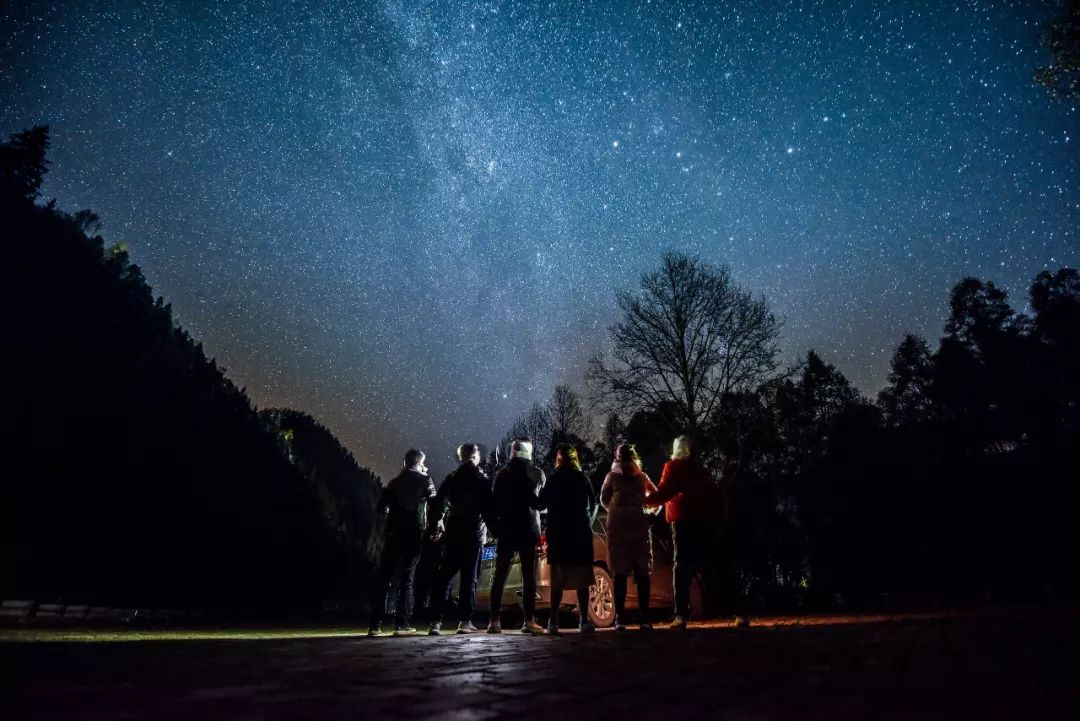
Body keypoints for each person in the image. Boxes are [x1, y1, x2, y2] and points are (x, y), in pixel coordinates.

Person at [646, 435, 725, 630]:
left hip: (683, 520)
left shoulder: (673, 467)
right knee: (714, 563)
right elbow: (713, 493)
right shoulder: (699, 470)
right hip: (705, 520)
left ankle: (680, 615)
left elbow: (665, 492)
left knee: (680, 567)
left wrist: (645, 501)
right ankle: (738, 611)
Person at [426, 443, 492, 635]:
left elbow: (439, 502)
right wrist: (495, 529)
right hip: (473, 529)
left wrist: (436, 524)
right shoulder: (481, 477)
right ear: (475, 455)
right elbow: (488, 506)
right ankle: (464, 621)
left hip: (454, 528)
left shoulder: (452, 477)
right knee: (469, 577)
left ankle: (435, 622)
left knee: (445, 575)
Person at [369, 449, 436, 637]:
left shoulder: (394, 483)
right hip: (413, 534)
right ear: (419, 463)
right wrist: (435, 526)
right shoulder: (425, 480)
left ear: (405, 462)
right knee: (407, 578)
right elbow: (435, 503)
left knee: (384, 578)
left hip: (393, 534)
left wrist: (393, 514)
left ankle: (375, 625)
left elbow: (381, 508)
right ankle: (401, 624)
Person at [536, 443, 598, 634]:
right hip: (580, 535)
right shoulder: (582, 477)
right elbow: (594, 501)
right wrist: (589, 522)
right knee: (582, 580)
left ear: (559, 458)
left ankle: (553, 622)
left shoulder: (553, 479)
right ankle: (584, 620)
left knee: (558, 581)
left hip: (559, 535)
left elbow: (540, 503)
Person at [487, 438, 546, 634]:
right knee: (528, 577)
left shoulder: (502, 474)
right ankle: (529, 620)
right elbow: (539, 502)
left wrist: (495, 528)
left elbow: (493, 504)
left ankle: (494, 621)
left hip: (507, 529)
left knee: (500, 575)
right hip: (528, 529)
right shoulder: (535, 472)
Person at [600, 443, 657, 631]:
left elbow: (603, 499)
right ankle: (645, 618)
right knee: (643, 574)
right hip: (640, 528)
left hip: (618, 530)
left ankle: (620, 619)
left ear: (617, 457)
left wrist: (615, 511)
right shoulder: (641, 476)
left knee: (620, 575)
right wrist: (650, 515)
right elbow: (656, 497)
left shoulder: (611, 477)